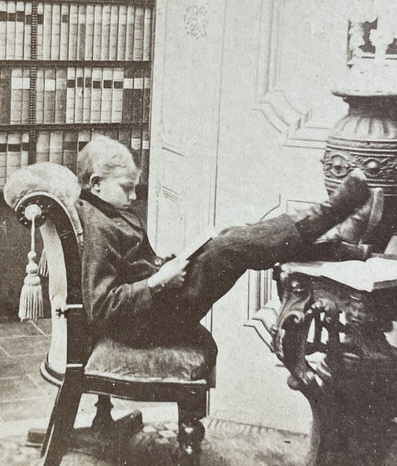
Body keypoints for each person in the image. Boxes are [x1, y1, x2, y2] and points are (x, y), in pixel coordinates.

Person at [76, 136, 382, 346]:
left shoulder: (111, 212)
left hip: (156, 309)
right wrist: (158, 281)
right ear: (96, 184)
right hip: (146, 325)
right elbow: (101, 307)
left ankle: (339, 246)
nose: (133, 197)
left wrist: (163, 265)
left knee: (227, 238)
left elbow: (130, 267)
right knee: (230, 247)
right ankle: (332, 217)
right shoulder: (97, 226)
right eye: (127, 188)